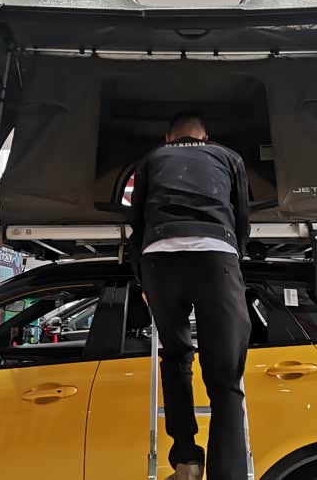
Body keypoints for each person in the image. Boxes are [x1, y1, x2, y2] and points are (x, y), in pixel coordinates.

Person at [129, 113, 252, 480]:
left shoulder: (152, 158)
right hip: (216, 257)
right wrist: (235, 256)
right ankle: (227, 474)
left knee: (175, 355)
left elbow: (136, 222)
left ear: (169, 137)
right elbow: (242, 217)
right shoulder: (228, 157)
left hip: (159, 260)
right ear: (205, 137)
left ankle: (186, 459)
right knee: (225, 377)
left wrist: (142, 276)